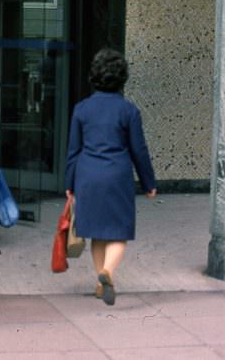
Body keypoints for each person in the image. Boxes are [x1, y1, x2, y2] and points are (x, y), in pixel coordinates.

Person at [65, 48, 157, 306]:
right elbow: (139, 150)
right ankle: (107, 273)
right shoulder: (129, 111)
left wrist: (69, 184)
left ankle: (99, 281)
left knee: (96, 232)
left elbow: (73, 150)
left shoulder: (81, 109)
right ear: (122, 77)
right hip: (117, 175)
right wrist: (149, 183)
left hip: (87, 175)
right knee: (118, 232)